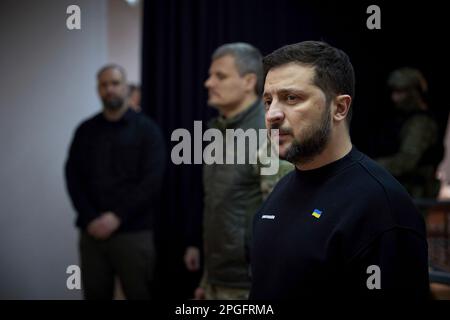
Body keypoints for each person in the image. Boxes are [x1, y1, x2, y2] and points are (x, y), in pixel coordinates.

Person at [249, 41, 430, 299]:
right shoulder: (281, 191)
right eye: (268, 101)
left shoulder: (382, 207)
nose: (272, 114)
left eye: (292, 98)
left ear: (339, 108)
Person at [183, 43, 292, 300]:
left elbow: (281, 221)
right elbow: (217, 208)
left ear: (248, 81)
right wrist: (208, 280)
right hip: (218, 280)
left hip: (249, 286)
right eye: (210, 75)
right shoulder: (218, 132)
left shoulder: (267, 134)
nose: (208, 83)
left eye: (219, 76)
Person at [65, 64, 166, 300]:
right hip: (92, 235)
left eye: (115, 83)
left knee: (140, 294)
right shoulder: (85, 130)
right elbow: (73, 176)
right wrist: (90, 218)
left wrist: (117, 216)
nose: (109, 89)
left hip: (134, 232)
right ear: (98, 90)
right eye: (103, 85)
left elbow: (151, 181)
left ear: (126, 88)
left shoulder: (147, 130)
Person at [375, 67, 443, 199]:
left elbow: (407, 160)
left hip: (414, 192)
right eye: (394, 92)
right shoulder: (403, 119)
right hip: (401, 190)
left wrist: (371, 166)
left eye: (401, 92)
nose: (395, 98)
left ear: (414, 92)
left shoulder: (420, 122)